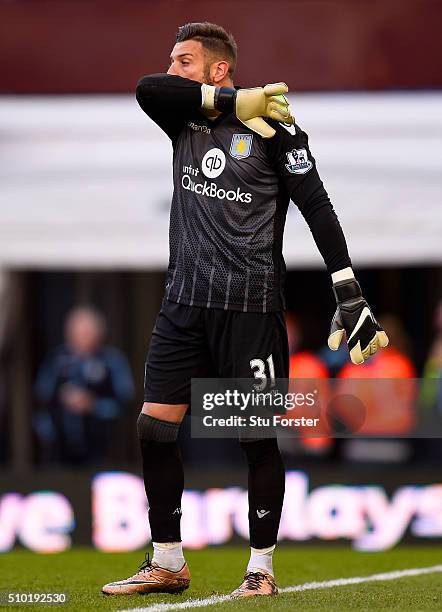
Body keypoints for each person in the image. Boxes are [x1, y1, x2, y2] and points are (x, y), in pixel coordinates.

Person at [102, 22, 388, 598]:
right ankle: (167, 562)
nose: (172, 69)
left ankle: (261, 570)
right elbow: (145, 88)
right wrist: (234, 99)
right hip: (183, 304)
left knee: (254, 442)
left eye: (184, 61)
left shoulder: (276, 129)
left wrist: (348, 288)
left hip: (249, 308)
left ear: (217, 68)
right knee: (154, 430)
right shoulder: (181, 115)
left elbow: (317, 204)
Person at [35, 306, 134, 464]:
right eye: (77, 332)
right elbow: (41, 397)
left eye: (87, 333)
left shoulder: (112, 361)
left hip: (104, 451)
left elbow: (126, 401)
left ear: (100, 333)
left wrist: (93, 405)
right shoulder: (56, 361)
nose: (82, 338)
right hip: (59, 452)